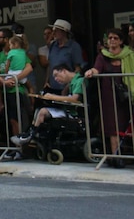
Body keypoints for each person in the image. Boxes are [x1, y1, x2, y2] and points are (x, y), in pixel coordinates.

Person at [84, 27, 134, 163]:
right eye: (110, 38)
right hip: (109, 97)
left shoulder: (129, 54)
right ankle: (116, 157)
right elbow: (96, 68)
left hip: (127, 96)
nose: (112, 40)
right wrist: (91, 72)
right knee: (113, 127)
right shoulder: (103, 56)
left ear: (121, 41)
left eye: (115, 38)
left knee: (128, 125)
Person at [44, 19, 86, 92]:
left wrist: (68, 85)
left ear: (64, 32)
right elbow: (50, 65)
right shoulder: (53, 45)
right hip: (52, 86)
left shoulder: (74, 47)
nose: (53, 33)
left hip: (67, 87)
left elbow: (78, 69)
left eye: (56, 30)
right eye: (53, 30)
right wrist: (47, 81)